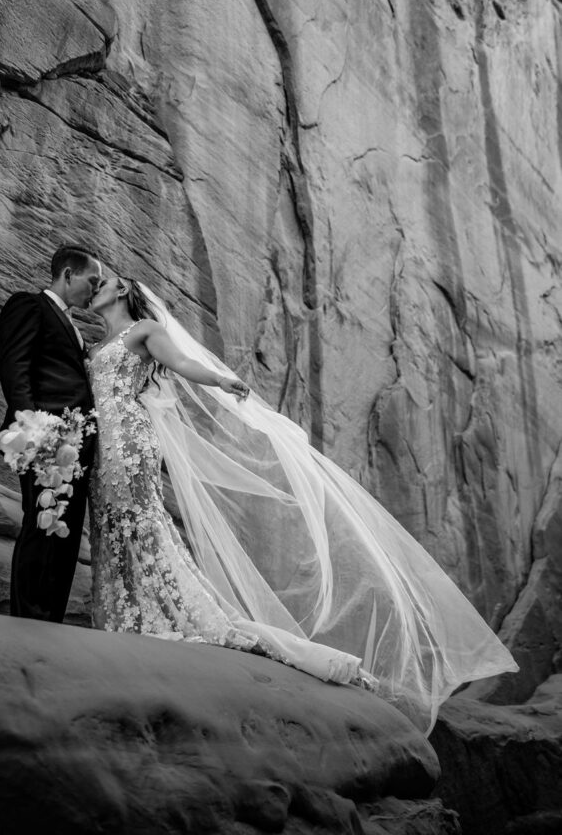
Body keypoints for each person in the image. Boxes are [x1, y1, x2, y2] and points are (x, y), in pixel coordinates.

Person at [86, 274, 518, 732]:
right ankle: (124, 607)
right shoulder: (98, 343)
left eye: (105, 282)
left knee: (139, 518)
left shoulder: (144, 331)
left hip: (131, 438)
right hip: (100, 442)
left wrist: (220, 380)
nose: (96, 287)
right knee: (110, 523)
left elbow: (182, 363)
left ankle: (161, 608)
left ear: (122, 292)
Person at [0, 244, 102, 623]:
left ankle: (50, 618)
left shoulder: (74, 327)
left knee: (67, 532)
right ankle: (28, 617)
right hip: (42, 435)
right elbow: (15, 366)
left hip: (76, 442)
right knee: (40, 523)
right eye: (93, 281)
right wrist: (30, 427)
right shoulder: (29, 305)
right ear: (69, 275)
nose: (96, 288)